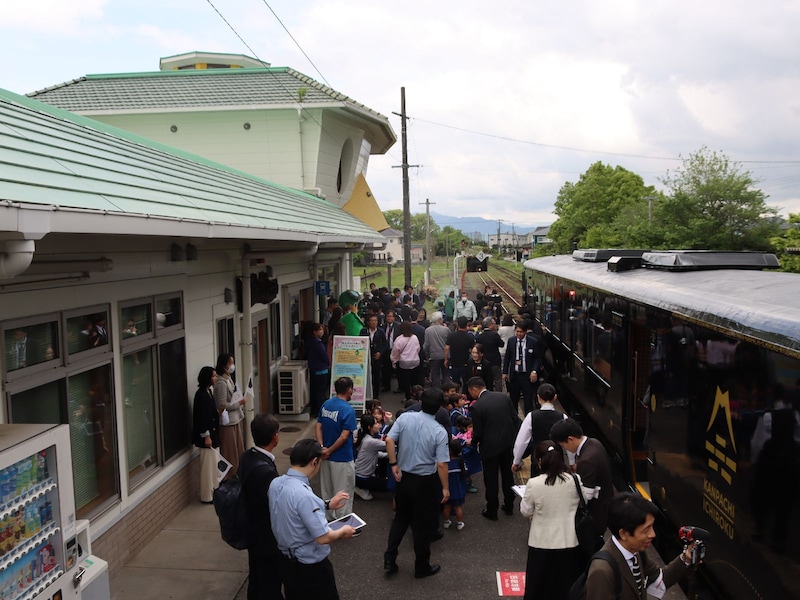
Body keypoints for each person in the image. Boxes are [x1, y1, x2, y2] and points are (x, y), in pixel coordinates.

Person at [269, 439, 355, 600]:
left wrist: (328, 504)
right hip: (310, 568)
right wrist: (343, 531)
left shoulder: (276, 483)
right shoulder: (305, 496)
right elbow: (323, 537)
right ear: (314, 462)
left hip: (286, 560)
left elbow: (294, 510)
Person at [383, 388, 450, 579]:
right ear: (439, 408)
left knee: (400, 519)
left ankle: (390, 557)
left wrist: (393, 463)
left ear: (421, 402)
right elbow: (442, 464)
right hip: (425, 482)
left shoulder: (405, 418)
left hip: (404, 478)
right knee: (420, 526)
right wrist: (445, 488)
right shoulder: (439, 431)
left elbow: (389, 439)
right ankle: (421, 566)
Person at [520, 441, 596, 600]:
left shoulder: (534, 484)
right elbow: (585, 501)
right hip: (569, 542)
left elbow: (526, 511)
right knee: (565, 590)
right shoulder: (574, 480)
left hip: (541, 543)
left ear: (540, 462)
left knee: (539, 590)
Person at [586, 493, 696, 600]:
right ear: (624, 534)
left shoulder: (635, 552)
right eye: (646, 529)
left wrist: (685, 558)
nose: (653, 534)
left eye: (652, 527)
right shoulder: (601, 571)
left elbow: (659, 580)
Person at [239, 412, 283, 600]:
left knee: (256, 576)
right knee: (269, 581)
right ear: (275, 437)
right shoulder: (265, 472)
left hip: (251, 528)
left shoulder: (247, 457)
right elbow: (276, 504)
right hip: (266, 535)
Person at [550, 418, 613, 541]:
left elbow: (585, 496)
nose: (565, 449)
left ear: (570, 439)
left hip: (595, 515)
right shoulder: (594, 443)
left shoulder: (587, 460)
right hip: (605, 505)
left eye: (563, 445)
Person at [466, 377, 521, 521]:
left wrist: (472, 442)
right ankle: (509, 506)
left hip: (489, 448)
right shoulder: (502, 398)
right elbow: (516, 420)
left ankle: (492, 510)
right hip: (507, 445)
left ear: (474, 389)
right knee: (508, 477)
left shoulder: (477, 407)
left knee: (491, 480)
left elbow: (478, 432)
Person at [316, 377, 358, 520]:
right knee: (343, 490)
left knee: (327, 489)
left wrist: (323, 448)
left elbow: (318, 426)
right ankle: (343, 521)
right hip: (342, 457)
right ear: (349, 390)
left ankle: (328, 518)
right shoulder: (348, 410)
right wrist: (330, 450)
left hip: (325, 456)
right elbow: (344, 436)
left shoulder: (326, 404)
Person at [512, 383, 568, 474]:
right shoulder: (563, 417)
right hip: (557, 459)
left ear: (538, 398)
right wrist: (572, 461)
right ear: (555, 397)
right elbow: (568, 442)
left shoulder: (531, 416)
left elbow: (521, 441)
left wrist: (516, 461)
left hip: (538, 459)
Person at [191, 366, 220, 504]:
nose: (215, 378)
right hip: (207, 437)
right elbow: (200, 417)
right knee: (207, 468)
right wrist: (206, 436)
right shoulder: (201, 395)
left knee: (214, 466)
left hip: (214, 435)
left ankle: (214, 491)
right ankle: (206, 496)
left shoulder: (209, 392)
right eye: (213, 376)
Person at [215, 352, 245, 476]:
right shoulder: (221, 383)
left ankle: (236, 473)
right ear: (224, 365)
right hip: (227, 423)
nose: (232, 365)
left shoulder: (228, 379)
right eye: (230, 363)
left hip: (235, 419)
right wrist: (238, 403)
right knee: (229, 451)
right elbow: (222, 405)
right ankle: (229, 476)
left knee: (237, 450)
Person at [502, 321, 542, 414]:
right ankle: (515, 420)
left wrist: (534, 371)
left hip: (527, 376)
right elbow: (508, 357)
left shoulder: (533, 342)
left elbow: (537, 358)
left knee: (528, 400)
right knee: (513, 399)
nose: (519, 334)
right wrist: (504, 372)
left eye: (521, 332)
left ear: (525, 332)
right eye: (517, 331)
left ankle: (528, 418)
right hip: (515, 375)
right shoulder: (511, 341)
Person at [354, 414, 387, 500]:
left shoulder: (364, 437)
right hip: (362, 477)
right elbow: (389, 445)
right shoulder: (371, 441)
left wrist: (387, 455)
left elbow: (375, 454)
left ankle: (360, 486)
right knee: (388, 485)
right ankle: (359, 487)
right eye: (376, 423)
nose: (379, 425)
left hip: (358, 473)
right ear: (369, 427)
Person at [305, 322, 330, 417]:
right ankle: (320, 411)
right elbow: (324, 356)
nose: (322, 332)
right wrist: (328, 363)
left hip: (313, 369)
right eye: (320, 330)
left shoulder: (309, 342)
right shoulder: (318, 343)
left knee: (315, 391)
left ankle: (315, 410)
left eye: (322, 329)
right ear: (314, 332)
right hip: (321, 370)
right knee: (321, 392)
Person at [391, 321, 421, 400]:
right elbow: (418, 348)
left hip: (404, 362)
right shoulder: (414, 337)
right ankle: (416, 396)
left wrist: (394, 360)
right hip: (415, 360)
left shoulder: (399, 339)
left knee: (406, 381)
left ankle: (408, 397)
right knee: (414, 380)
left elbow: (395, 351)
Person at [360, 314, 388, 401]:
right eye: (372, 321)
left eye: (375, 321)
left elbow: (385, 344)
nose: (374, 323)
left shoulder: (380, 331)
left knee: (376, 376)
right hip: (366, 357)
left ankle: (376, 396)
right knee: (366, 375)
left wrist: (380, 353)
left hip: (377, 357)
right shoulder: (364, 331)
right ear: (368, 322)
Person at [442, 439, 468, 531]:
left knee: (447, 507)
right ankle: (459, 523)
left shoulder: (446, 463)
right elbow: (465, 473)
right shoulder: (461, 462)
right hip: (459, 490)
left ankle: (446, 522)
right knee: (458, 507)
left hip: (448, 489)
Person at [444, 316, 475, 392]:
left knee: (455, 382)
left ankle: (455, 395)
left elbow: (446, 348)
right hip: (465, 363)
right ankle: (465, 395)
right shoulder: (469, 337)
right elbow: (472, 350)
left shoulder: (451, 335)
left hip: (454, 362)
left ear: (457, 324)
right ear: (466, 325)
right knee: (466, 381)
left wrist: (446, 359)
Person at [423, 311, 450, 390]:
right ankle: (447, 391)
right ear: (440, 319)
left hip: (434, 356)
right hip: (445, 356)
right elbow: (449, 343)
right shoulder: (446, 330)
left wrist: (427, 355)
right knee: (446, 375)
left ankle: (437, 392)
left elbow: (426, 345)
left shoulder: (428, 330)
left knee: (435, 375)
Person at [476, 317, 504, 392]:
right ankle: (498, 395)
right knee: (498, 379)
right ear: (490, 325)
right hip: (495, 361)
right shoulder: (495, 335)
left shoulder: (480, 337)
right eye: (494, 324)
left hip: (484, 361)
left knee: (487, 379)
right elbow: (502, 344)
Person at [381, 309, 398, 392]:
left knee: (397, 369)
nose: (389, 318)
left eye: (390, 316)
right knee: (386, 369)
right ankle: (386, 386)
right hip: (386, 350)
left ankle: (400, 386)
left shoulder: (398, 326)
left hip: (395, 350)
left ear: (394, 318)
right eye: (387, 316)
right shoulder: (383, 327)